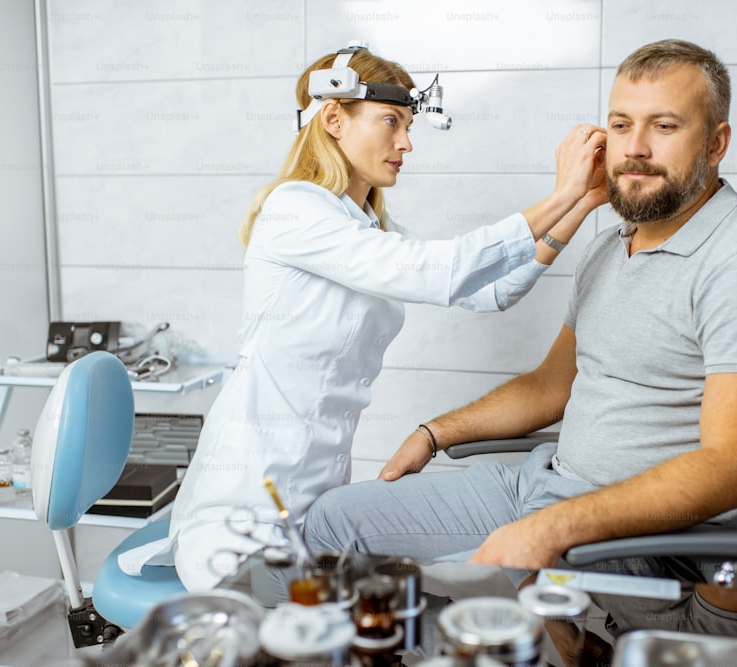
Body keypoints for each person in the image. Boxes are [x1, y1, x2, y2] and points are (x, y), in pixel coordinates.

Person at [295, 39, 737, 634]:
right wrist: (436, 431)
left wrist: (552, 529)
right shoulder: (613, 244)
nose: (636, 148)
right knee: (333, 524)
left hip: (631, 533)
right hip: (546, 480)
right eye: (621, 125)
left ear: (717, 143)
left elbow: (732, 467)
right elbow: (552, 385)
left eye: (665, 126)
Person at [128, 44, 607, 591]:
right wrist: (561, 191)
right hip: (246, 504)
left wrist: (582, 205)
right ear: (334, 118)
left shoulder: (367, 228)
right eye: (391, 122)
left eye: (408, 125)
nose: (406, 143)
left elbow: (491, 291)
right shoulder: (295, 210)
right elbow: (442, 271)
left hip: (317, 498)